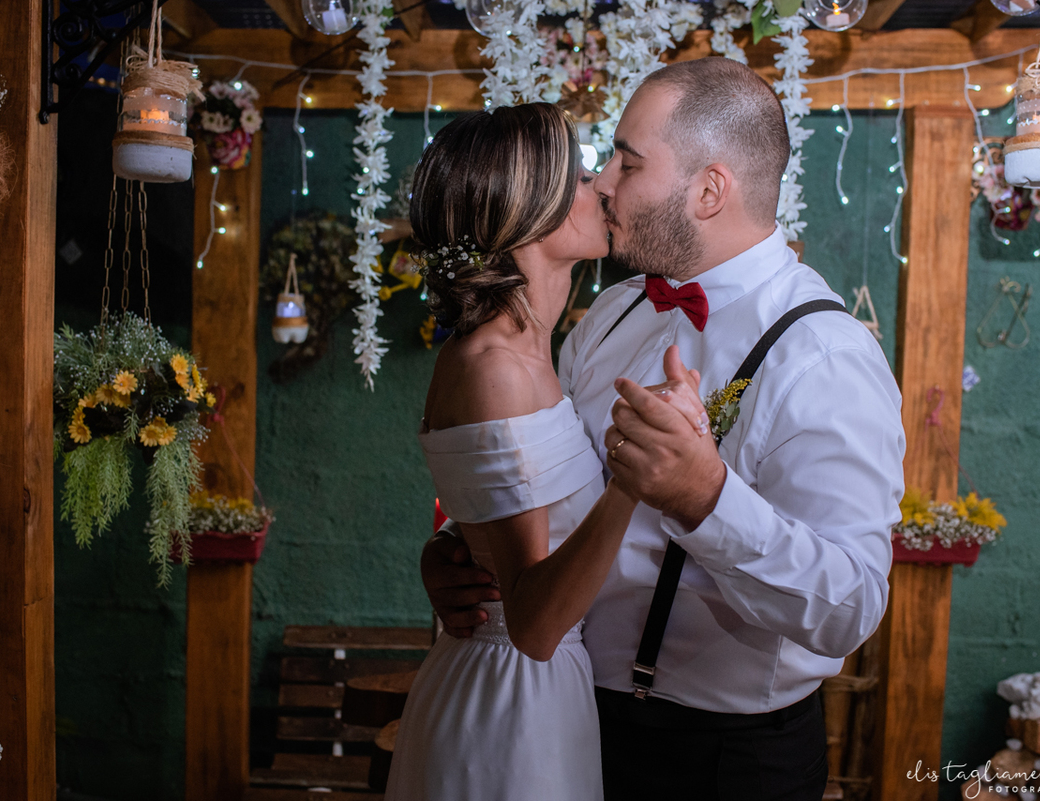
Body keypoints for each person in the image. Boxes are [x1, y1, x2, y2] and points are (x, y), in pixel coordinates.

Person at [421, 57, 906, 801]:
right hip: (568, 719)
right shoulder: (612, 314)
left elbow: (850, 608)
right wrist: (462, 553)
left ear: (709, 189)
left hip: (724, 761)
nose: (605, 181)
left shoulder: (826, 354)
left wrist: (705, 497)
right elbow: (547, 490)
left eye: (627, 160)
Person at [385, 103, 710, 801]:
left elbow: (504, 513)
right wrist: (632, 478)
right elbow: (532, 622)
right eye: (580, 174)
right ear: (528, 209)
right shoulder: (494, 365)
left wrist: (453, 544)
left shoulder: (541, 354)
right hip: (513, 699)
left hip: (549, 690)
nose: (600, 186)